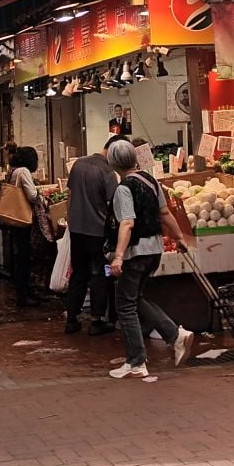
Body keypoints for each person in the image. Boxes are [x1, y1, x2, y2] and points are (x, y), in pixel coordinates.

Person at [105, 140, 193, 379]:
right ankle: (175, 335)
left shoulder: (124, 189)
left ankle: (136, 361)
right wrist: (179, 237)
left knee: (125, 305)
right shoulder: (151, 181)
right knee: (135, 298)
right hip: (154, 250)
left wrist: (118, 257)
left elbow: (127, 223)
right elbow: (165, 213)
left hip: (135, 253)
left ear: (113, 163)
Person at [64, 139, 119, 336]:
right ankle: (97, 321)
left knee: (78, 272)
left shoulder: (78, 164)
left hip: (76, 230)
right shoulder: (108, 172)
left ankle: (72, 319)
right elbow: (114, 204)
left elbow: (70, 196)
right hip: (98, 232)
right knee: (101, 274)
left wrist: (71, 220)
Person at [8, 147, 44, 307]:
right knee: (24, 257)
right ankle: (23, 296)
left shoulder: (14, 171)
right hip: (22, 219)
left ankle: (26, 292)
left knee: (21, 256)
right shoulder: (23, 172)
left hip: (16, 219)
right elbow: (32, 195)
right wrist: (40, 193)